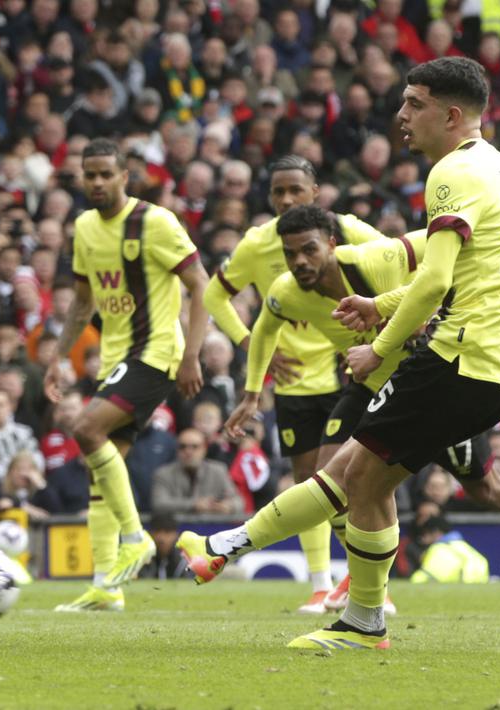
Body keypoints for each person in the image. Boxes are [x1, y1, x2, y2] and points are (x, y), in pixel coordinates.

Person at [181, 58, 500, 650]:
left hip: (463, 353)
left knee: (358, 477)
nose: (401, 115)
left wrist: (378, 348)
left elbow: (435, 280)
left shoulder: (451, 174)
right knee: (363, 478)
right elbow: (469, 271)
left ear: (452, 115)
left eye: (415, 103)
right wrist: (379, 304)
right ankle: (236, 555)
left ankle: (335, 606)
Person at [220, 204, 500, 617]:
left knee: (486, 488)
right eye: (290, 254)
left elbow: (443, 261)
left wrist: (418, 313)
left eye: (309, 250)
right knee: (333, 477)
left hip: (426, 389)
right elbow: (263, 331)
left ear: (331, 244)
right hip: (369, 386)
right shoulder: (285, 292)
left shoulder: (376, 259)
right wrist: (252, 394)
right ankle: (365, 584)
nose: (300, 262)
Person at [201, 153, 387, 613]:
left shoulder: (349, 232)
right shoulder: (258, 244)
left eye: (295, 190)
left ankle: (362, 581)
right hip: (293, 381)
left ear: (315, 193)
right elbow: (214, 295)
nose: (286, 199)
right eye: (278, 192)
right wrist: (251, 347)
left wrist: (375, 332)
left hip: (349, 372)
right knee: (312, 481)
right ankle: (324, 584)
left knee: (353, 478)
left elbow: (399, 265)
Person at [43, 138, 209, 613]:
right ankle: (105, 585)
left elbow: (200, 284)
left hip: (156, 352)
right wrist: (57, 357)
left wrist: (192, 354)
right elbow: (82, 302)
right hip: (117, 356)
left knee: (85, 429)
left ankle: (136, 539)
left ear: (123, 177)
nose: (96, 182)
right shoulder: (83, 228)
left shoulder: (155, 222)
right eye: (89, 175)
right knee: (101, 469)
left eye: (105, 174)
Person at [150, 428, 243, 516]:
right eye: (182, 447)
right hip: (176, 527)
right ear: (177, 450)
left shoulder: (218, 470)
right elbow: (159, 504)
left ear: (204, 449)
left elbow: (239, 502)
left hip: (211, 526)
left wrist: (229, 506)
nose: (188, 451)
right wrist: (194, 505)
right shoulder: (163, 474)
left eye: (195, 447)